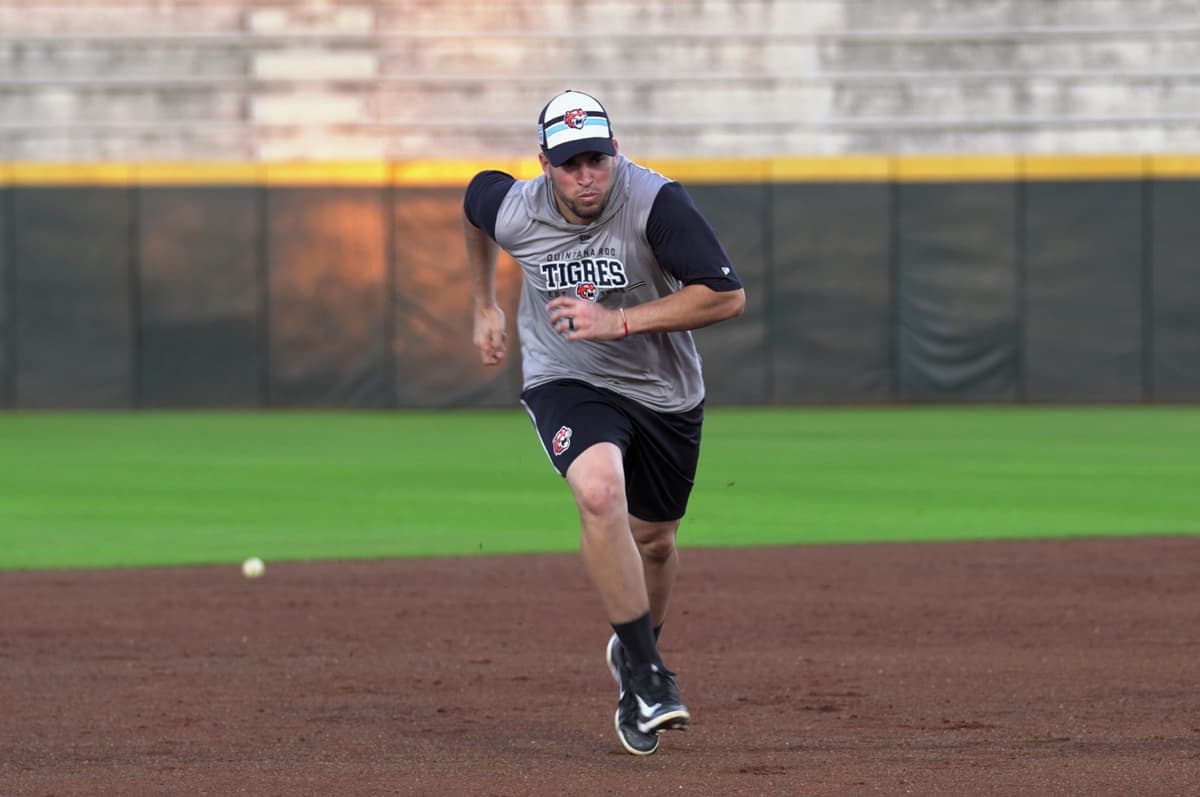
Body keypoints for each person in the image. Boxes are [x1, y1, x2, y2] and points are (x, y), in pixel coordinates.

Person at [461, 89, 745, 756]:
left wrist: (620, 320)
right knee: (597, 491)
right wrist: (484, 305)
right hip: (568, 378)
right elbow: (473, 212)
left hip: (663, 392)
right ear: (544, 164)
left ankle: (634, 649)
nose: (585, 175)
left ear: (615, 152)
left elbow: (726, 295)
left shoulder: (654, 203)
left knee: (656, 540)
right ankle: (649, 675)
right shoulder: (512, 207)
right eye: (569, 164)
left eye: (595, 159)